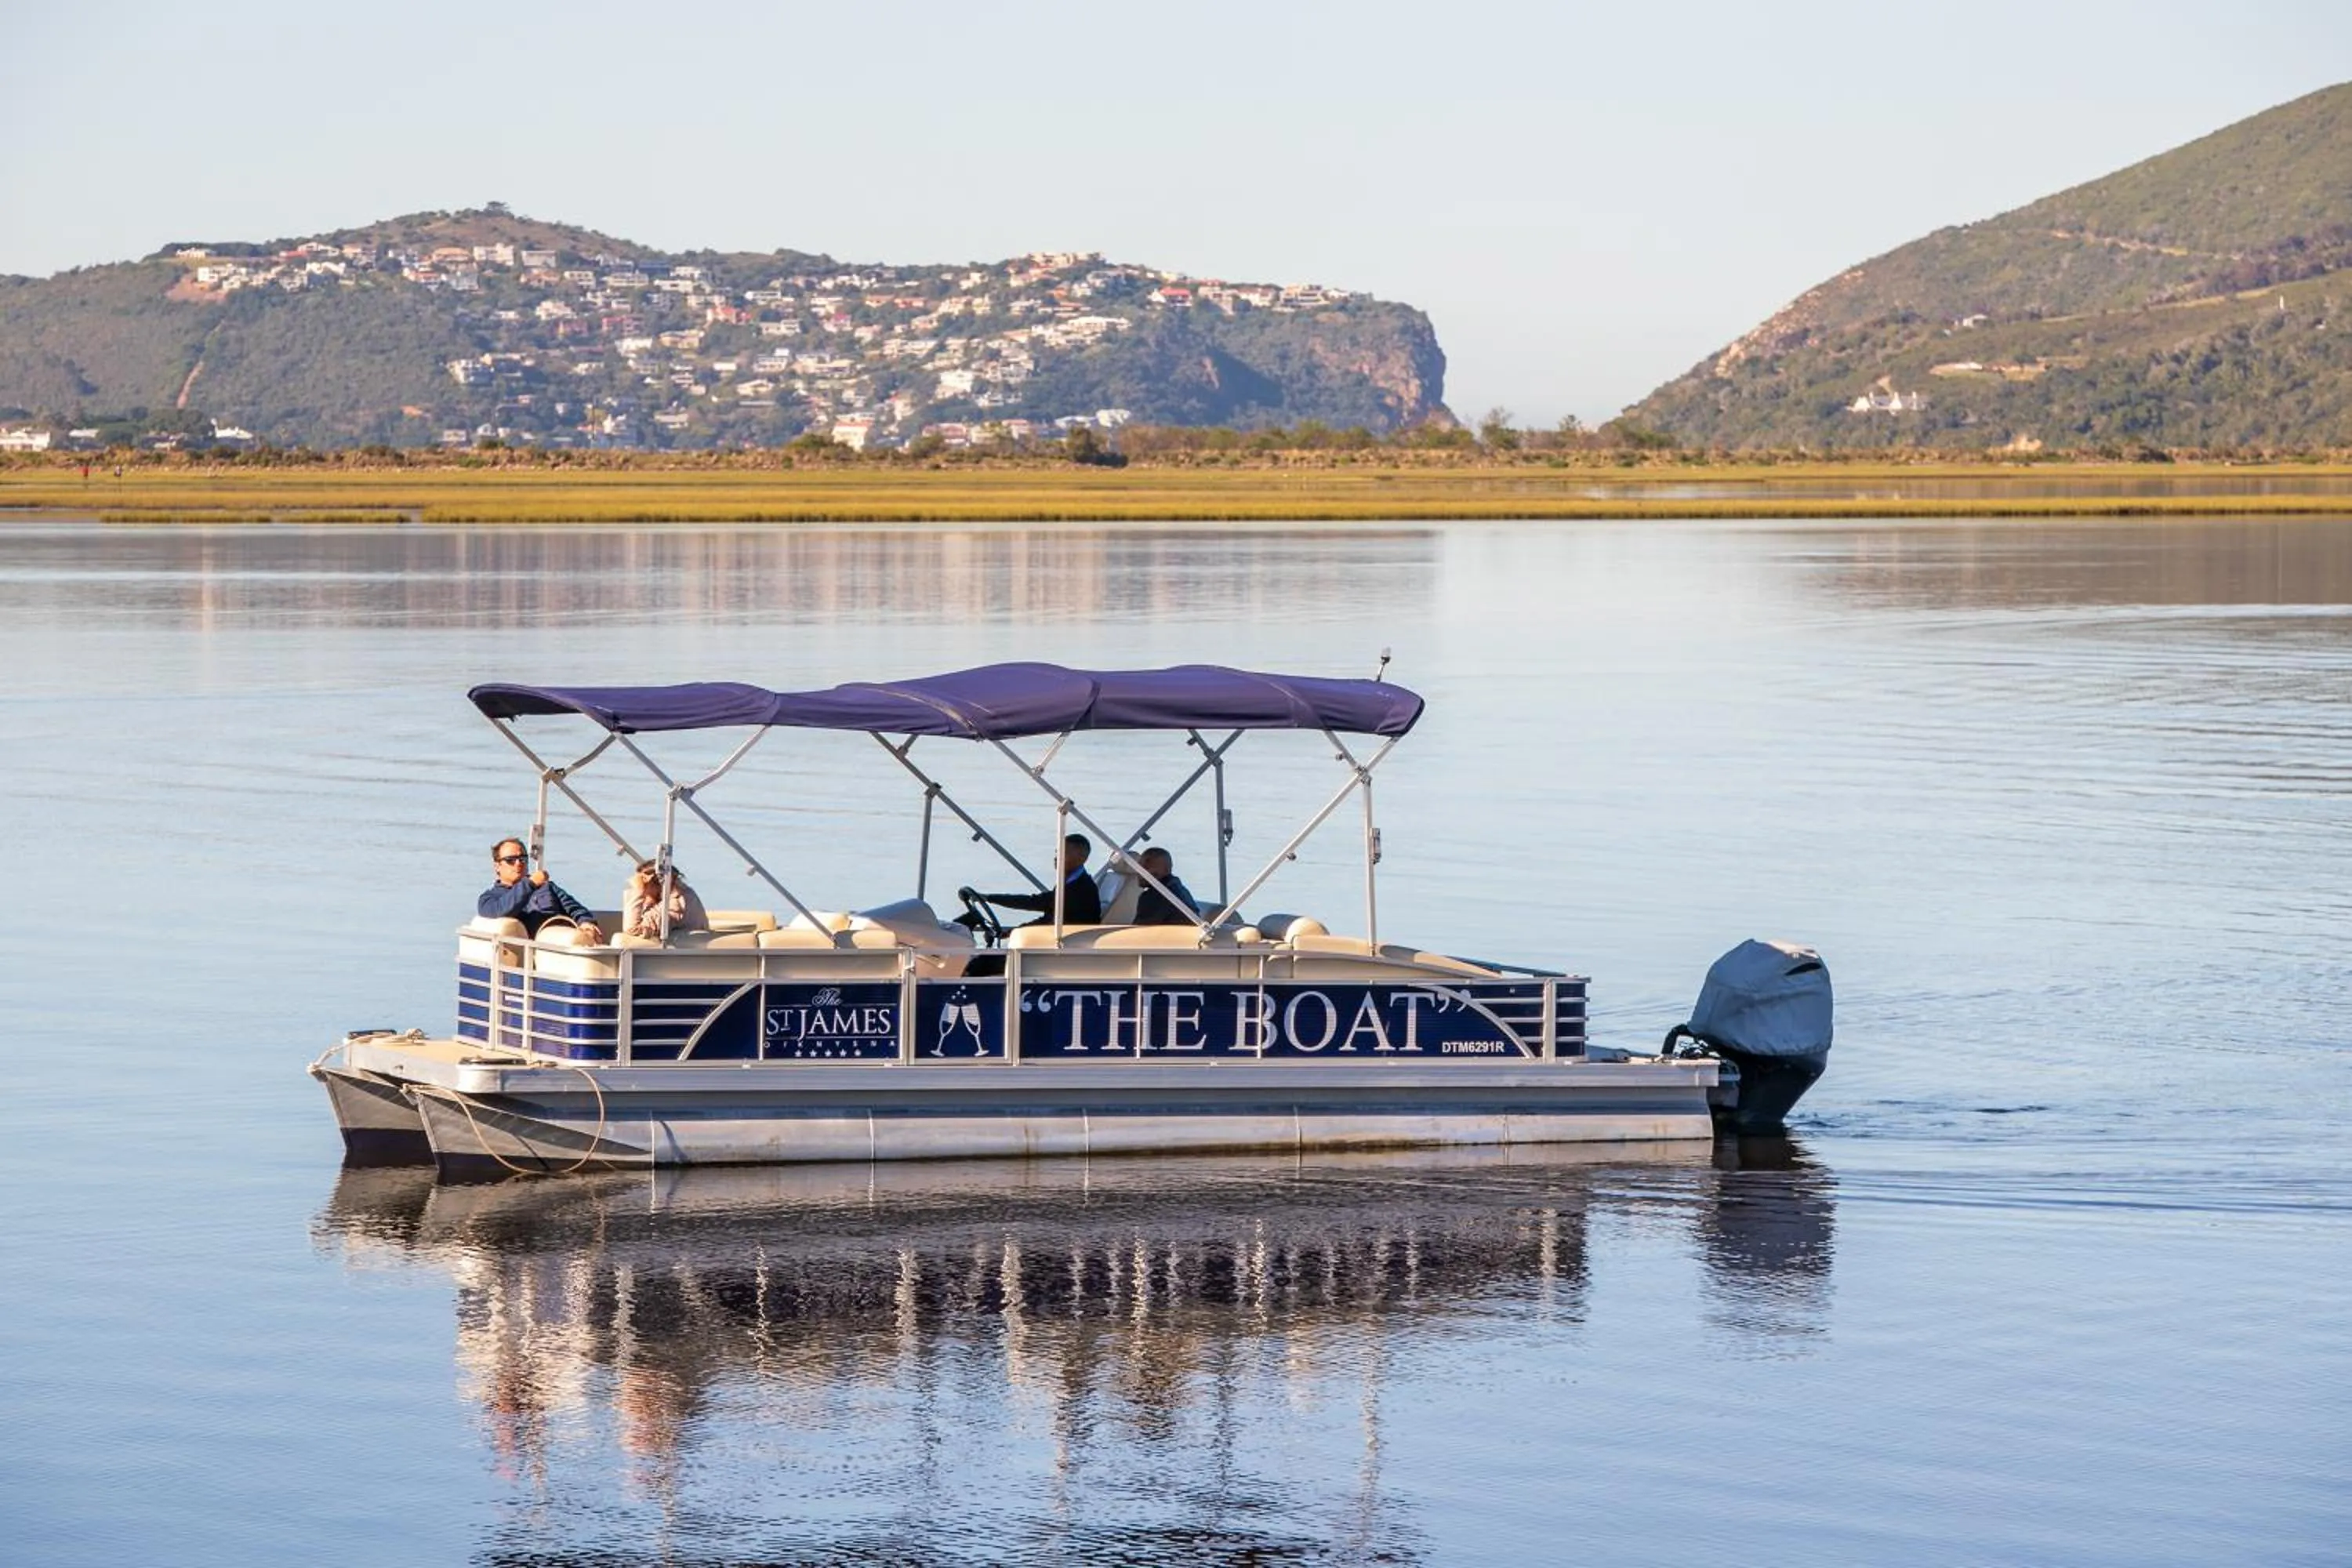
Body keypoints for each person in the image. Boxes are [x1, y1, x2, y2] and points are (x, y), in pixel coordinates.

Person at [960, 833, 1102, 929]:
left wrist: (989, 898)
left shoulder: (1080, 889)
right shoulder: (1070, 882)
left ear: (1082, 858)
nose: (1057, 857)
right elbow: (1048, 917)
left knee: (978, 966)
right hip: (1050, 939)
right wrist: (1014, 931)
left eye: (1065, 853)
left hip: (1061, 948)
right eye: (1057, 852)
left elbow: (1033, 903)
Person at [477, 837, 606, 942]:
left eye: (522, 859)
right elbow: (501, 911)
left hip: (566, 940)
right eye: (510, 860)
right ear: (497, 866)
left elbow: (576, 909)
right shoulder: (489, 899)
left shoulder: (547, 887)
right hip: (534, 952)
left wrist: (586, 922)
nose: (518, 864)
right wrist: (530, 884)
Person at [622, 859, 709, 940]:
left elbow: (632, 929)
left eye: (643, 884)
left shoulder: (674, 905)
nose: (645, 893)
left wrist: (638, 891)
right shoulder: (686, 893)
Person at [1131, 846, 1201, 926]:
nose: (1141, 872)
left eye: (1147, 867)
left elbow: (1139, 931)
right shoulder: (1181, 890)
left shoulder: (1155, 896)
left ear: (1166, 870)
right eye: (1139, 866)